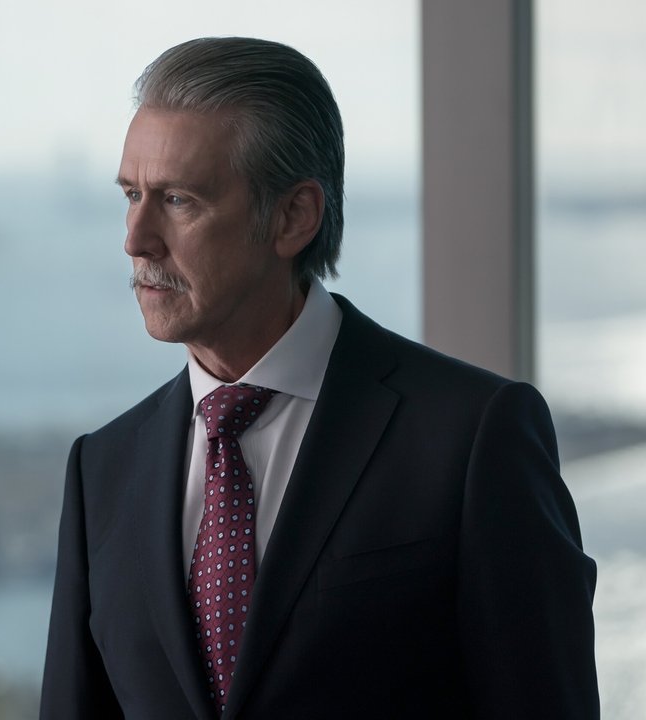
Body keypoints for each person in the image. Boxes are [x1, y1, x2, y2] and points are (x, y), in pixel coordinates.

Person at [41, 37, 598, 719]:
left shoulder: (472, 437)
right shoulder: (101, 471)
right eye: (132, 195)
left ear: (294, 216)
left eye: (178, 200)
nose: (135, 238)